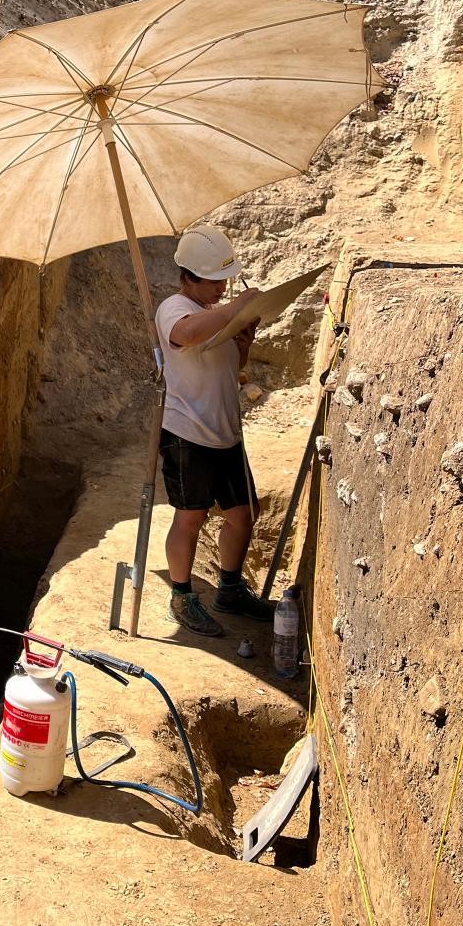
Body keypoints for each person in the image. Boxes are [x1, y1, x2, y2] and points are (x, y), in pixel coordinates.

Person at [154, 225, 275, 638]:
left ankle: (229, 589)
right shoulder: (175, 307)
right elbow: (186, 334)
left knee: (244, 514)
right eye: (215, 281)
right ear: (189, 276)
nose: (222, 288)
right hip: (188, 433)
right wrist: (237, 306)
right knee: (190, 518)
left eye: (226, 280)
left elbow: (231, 366)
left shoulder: (214, 312)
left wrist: (245, 337)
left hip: (225, 432)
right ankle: (183, 596)